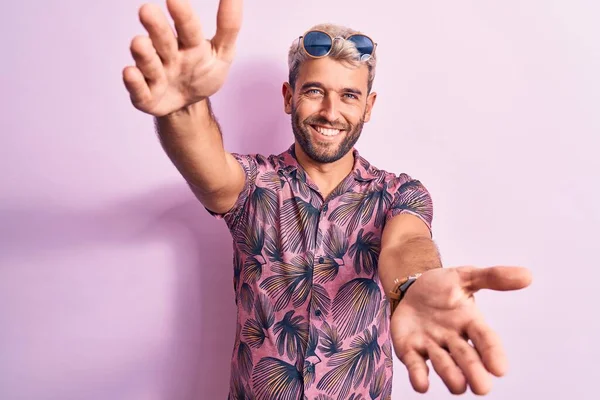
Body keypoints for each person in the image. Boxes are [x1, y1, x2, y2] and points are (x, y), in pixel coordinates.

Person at [122, 0, 533, 398]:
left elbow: (407, 244)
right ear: (288, 96)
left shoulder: (397, 193)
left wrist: (413, 285)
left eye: (349, 95)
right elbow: (208, 169)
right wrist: (182, 108)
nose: (330, 111)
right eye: (315, 90)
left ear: (368, 106)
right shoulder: (253, 185)